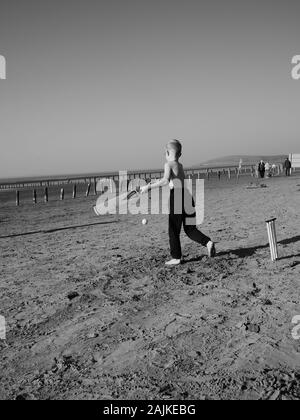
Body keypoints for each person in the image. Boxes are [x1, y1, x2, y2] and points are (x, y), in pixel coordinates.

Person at [140, 140, 216, 266]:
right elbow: (173, 180)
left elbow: (165, 180)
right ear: (180, 154)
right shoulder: (179, 166)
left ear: (166, 152)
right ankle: (208, 242)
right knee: (190, 228)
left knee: (173, 230)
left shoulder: (168, 164)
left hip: (177, 198)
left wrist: (148, 188)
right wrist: (156, 183)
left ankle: (176, 257)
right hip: (187, 196)